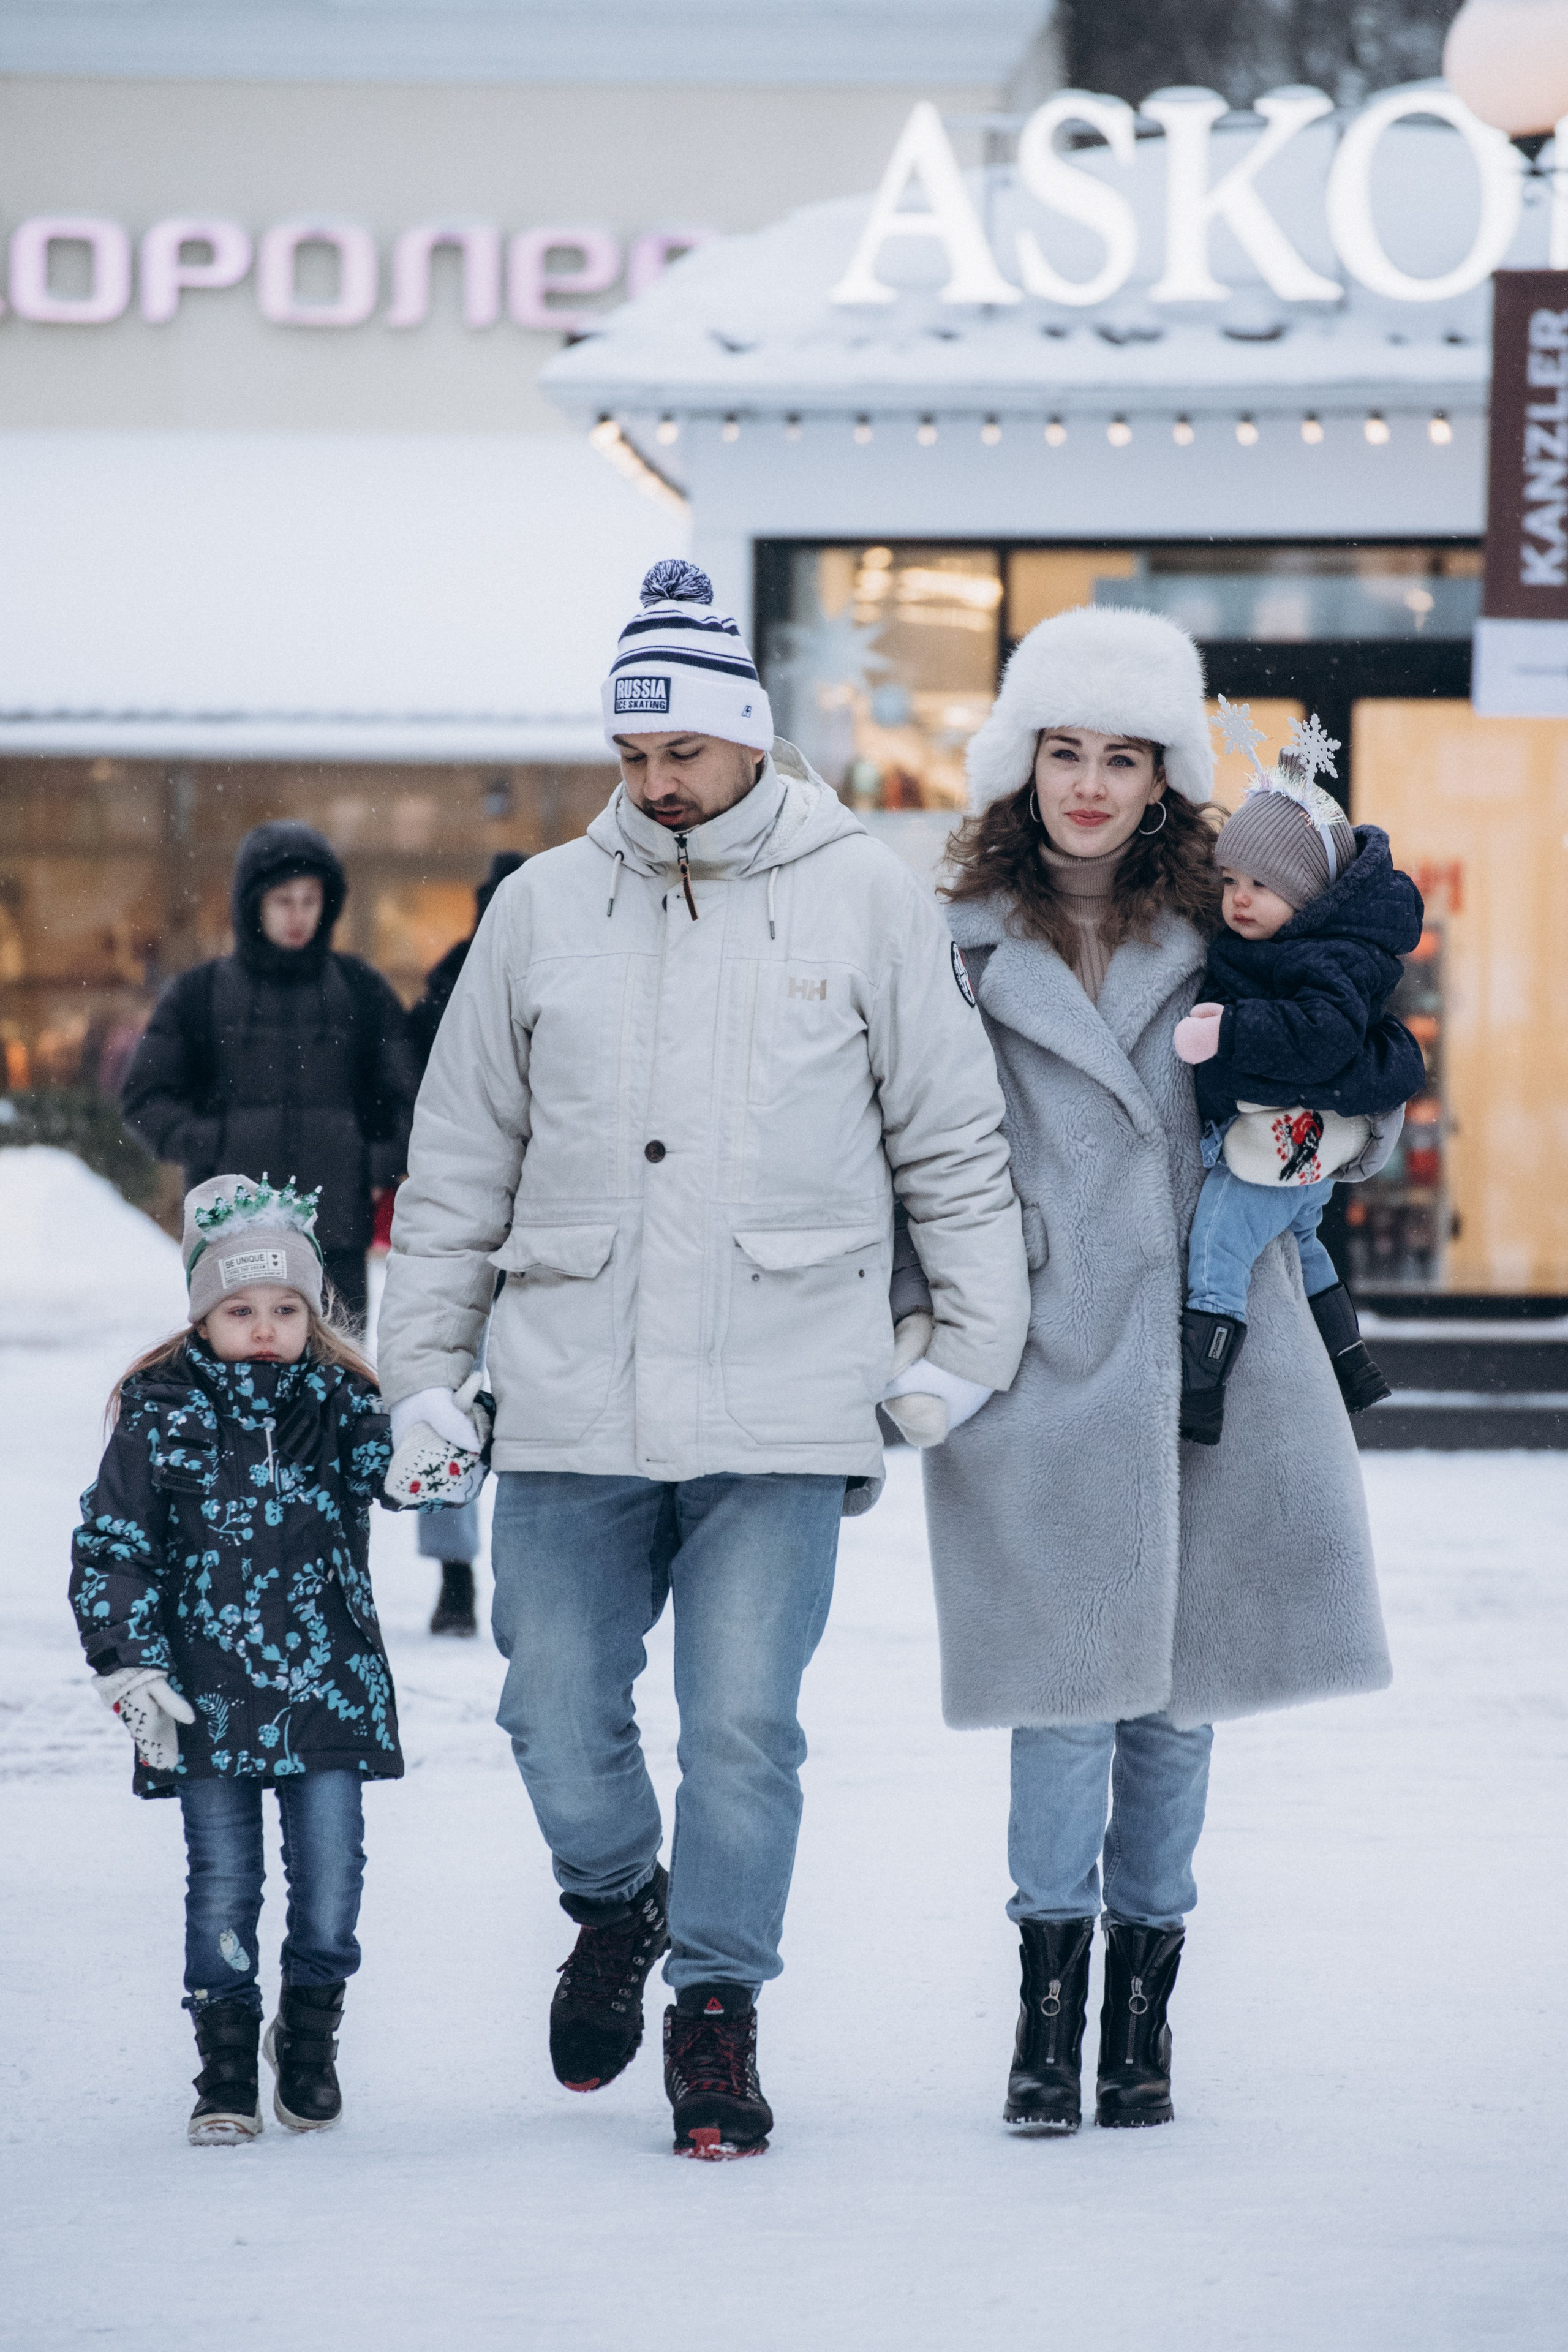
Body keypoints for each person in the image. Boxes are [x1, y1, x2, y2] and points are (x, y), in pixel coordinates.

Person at [377, 557, 1028, 2160]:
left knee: (742, 1721)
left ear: (747, 738)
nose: (655, 782)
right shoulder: (540, 907)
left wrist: (960, 1348)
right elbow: (459, 1163)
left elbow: (953, 1146)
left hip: (787, 1392)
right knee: (548, 1702)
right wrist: (422, 1371)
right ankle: (618, 1901)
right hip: (573, 1387)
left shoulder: (866, 894)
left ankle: (719, 2004)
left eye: (681, 751)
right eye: (631, 755)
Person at [913, 604, 1390, 2136]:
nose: (1091, 784)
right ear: (1023, 761)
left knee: (1174, 1702)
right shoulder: (953, 936)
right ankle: (1044, 2021)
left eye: (1123, 756)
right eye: (1065, 750)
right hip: (1039, 1344)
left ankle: (1141, 2022)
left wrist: (1305, 1143)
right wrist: (939, 1319)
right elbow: (911, 1145)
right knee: (1061, 1697)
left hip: (1210, 1350)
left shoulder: (1234, 922)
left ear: (1162, 774)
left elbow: (1357, 1083)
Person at [69, 1174, 402, 2146]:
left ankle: (308, 2039)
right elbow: (112, 1547)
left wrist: (440, 1453)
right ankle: (222, 2064)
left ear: (312, 1314)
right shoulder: (159, 1412)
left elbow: (402, 1475)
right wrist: (129, 1663)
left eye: (287, 1308)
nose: (265, 1327)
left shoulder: (340, 1404)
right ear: (203, 1316)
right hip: (202, 1699)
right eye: (240, 1308)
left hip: (326, 1693)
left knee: (332, 1884)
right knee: (222, 1882)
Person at [1174, 739, 1425, 1442]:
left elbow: (1323, 1037)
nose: (1239, 898)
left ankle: (1199, 1393)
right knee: (1307, 1243)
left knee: (1218, 1246)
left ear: (1309, 894)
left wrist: (1228, 1031)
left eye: (1262, 884)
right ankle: (1350, 1362)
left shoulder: (1325, 957)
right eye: (1228, 881)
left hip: (1275, 1144)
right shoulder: (1293, 944)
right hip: (1299, 1154)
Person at [121, 821, 420, 1329]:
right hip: (232, 1232)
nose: (298, 915)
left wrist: (371, 1164)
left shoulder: (361, 990)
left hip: (336, 1231)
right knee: (238, 1375)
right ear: (253, 902)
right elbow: (145, 1099)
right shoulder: (199, 993)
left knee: (336, 1382)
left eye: (310, 899)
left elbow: (414, 1101)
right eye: (284, 900)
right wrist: (217, 1147)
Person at [405, 850, 527, 1637]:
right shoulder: (454, 982)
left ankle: (515, 1570)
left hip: (553, 1234)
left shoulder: (583, 969)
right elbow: (417, 1088)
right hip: (471, 1225)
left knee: (533, 1414)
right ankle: (455, 1573)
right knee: (445, 1403)